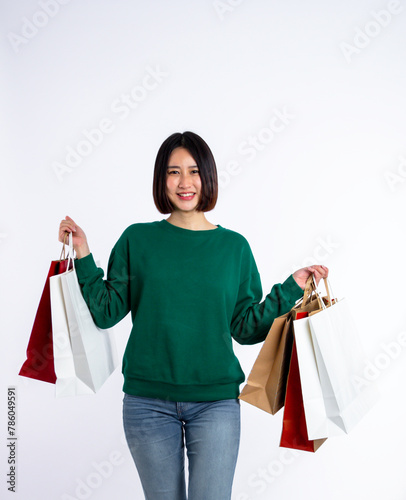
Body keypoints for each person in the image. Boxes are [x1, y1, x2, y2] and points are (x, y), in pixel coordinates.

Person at [58, 131, 328, 500]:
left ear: (208, 177)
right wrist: (84, 254)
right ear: (161, 180)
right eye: (173, 172)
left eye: (193, 171)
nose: (184, 182)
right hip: (147, 403)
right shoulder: (138, 240)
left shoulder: (234, 248)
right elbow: (106, 312)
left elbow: (245, 328)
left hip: (216, 403)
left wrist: (291, 288)